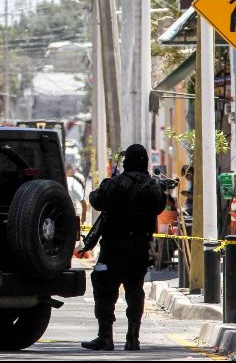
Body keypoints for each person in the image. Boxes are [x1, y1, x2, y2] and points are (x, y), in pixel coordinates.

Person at [80, 144, 165, 352]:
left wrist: (108, 182)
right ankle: (133, 338)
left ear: (126, 162)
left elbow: (96, 201)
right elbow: (160, 206)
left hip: (114, 248)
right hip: (139, 248)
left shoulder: (116, 184)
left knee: (104, 290)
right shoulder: (154, 187)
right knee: (135, 291)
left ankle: (105, 337)